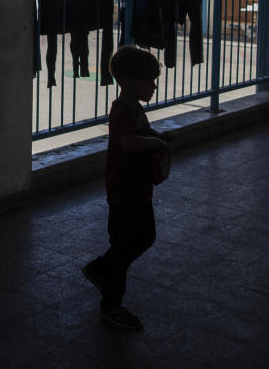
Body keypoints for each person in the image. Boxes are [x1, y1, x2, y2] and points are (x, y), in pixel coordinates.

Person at [82, 45, 174, 330]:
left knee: (144, 236)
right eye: (149, 80)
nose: (154, 86)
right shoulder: (121, 111)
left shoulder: (135, 109)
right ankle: (111, 303)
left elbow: (140, 135)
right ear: (128, 81)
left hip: (139, 188)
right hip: (123, 191)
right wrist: (157, 143)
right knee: (123, 248)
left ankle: (102, 268)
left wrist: (157, 136)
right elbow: (129, 142)